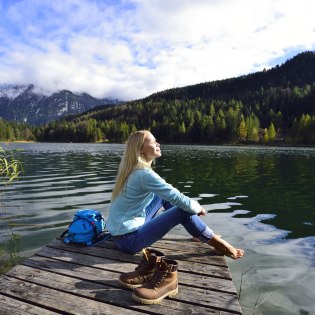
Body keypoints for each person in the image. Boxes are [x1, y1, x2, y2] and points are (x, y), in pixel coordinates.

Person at [106, 130, 244, 260]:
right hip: (129, 242)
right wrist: (197, 208)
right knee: (183, 211)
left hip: (121, 235)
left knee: (162, 196)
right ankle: (221, 245)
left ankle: (198, 232)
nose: (158, 144)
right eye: (153, 142)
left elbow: (171, 195)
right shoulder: (143, 174)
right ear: (141, 149)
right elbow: (178, 198)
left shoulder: (134, 170)